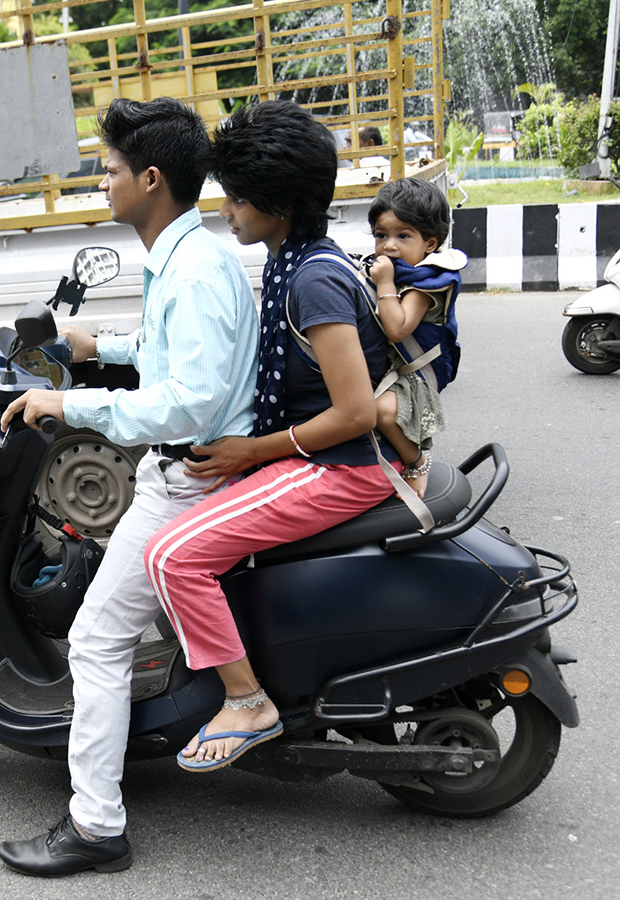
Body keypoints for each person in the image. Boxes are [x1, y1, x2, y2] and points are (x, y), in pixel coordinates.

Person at [0, 96, 258, 876]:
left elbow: (190, 400)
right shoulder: (182, 258)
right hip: (179, 472)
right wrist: (94, 345)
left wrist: (66, 401)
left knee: (97, 640)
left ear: (150, 178)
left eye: (110, 170)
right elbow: (165, 350)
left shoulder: (194, 271)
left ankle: (96, 825)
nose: (101, 181)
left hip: (189, 481)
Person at [143, 100, 400, 773]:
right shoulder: (300, 256)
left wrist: (250, 451)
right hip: (323, 457)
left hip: (339, 467)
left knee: (172, 556)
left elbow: (354, 414)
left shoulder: (311, 280)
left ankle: (247, 701)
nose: (226, 210)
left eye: (236, 197)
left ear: (277, 203)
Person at [367, 176, 466, 497]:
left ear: (430, 244)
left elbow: (398, 328)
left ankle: (417, 463)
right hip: (395, 363)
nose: (389, 245)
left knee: (381, 410)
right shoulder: (403, 268)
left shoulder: (427, 281)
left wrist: (383, 284)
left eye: (403, 235)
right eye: (381, 235)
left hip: (416, 372)